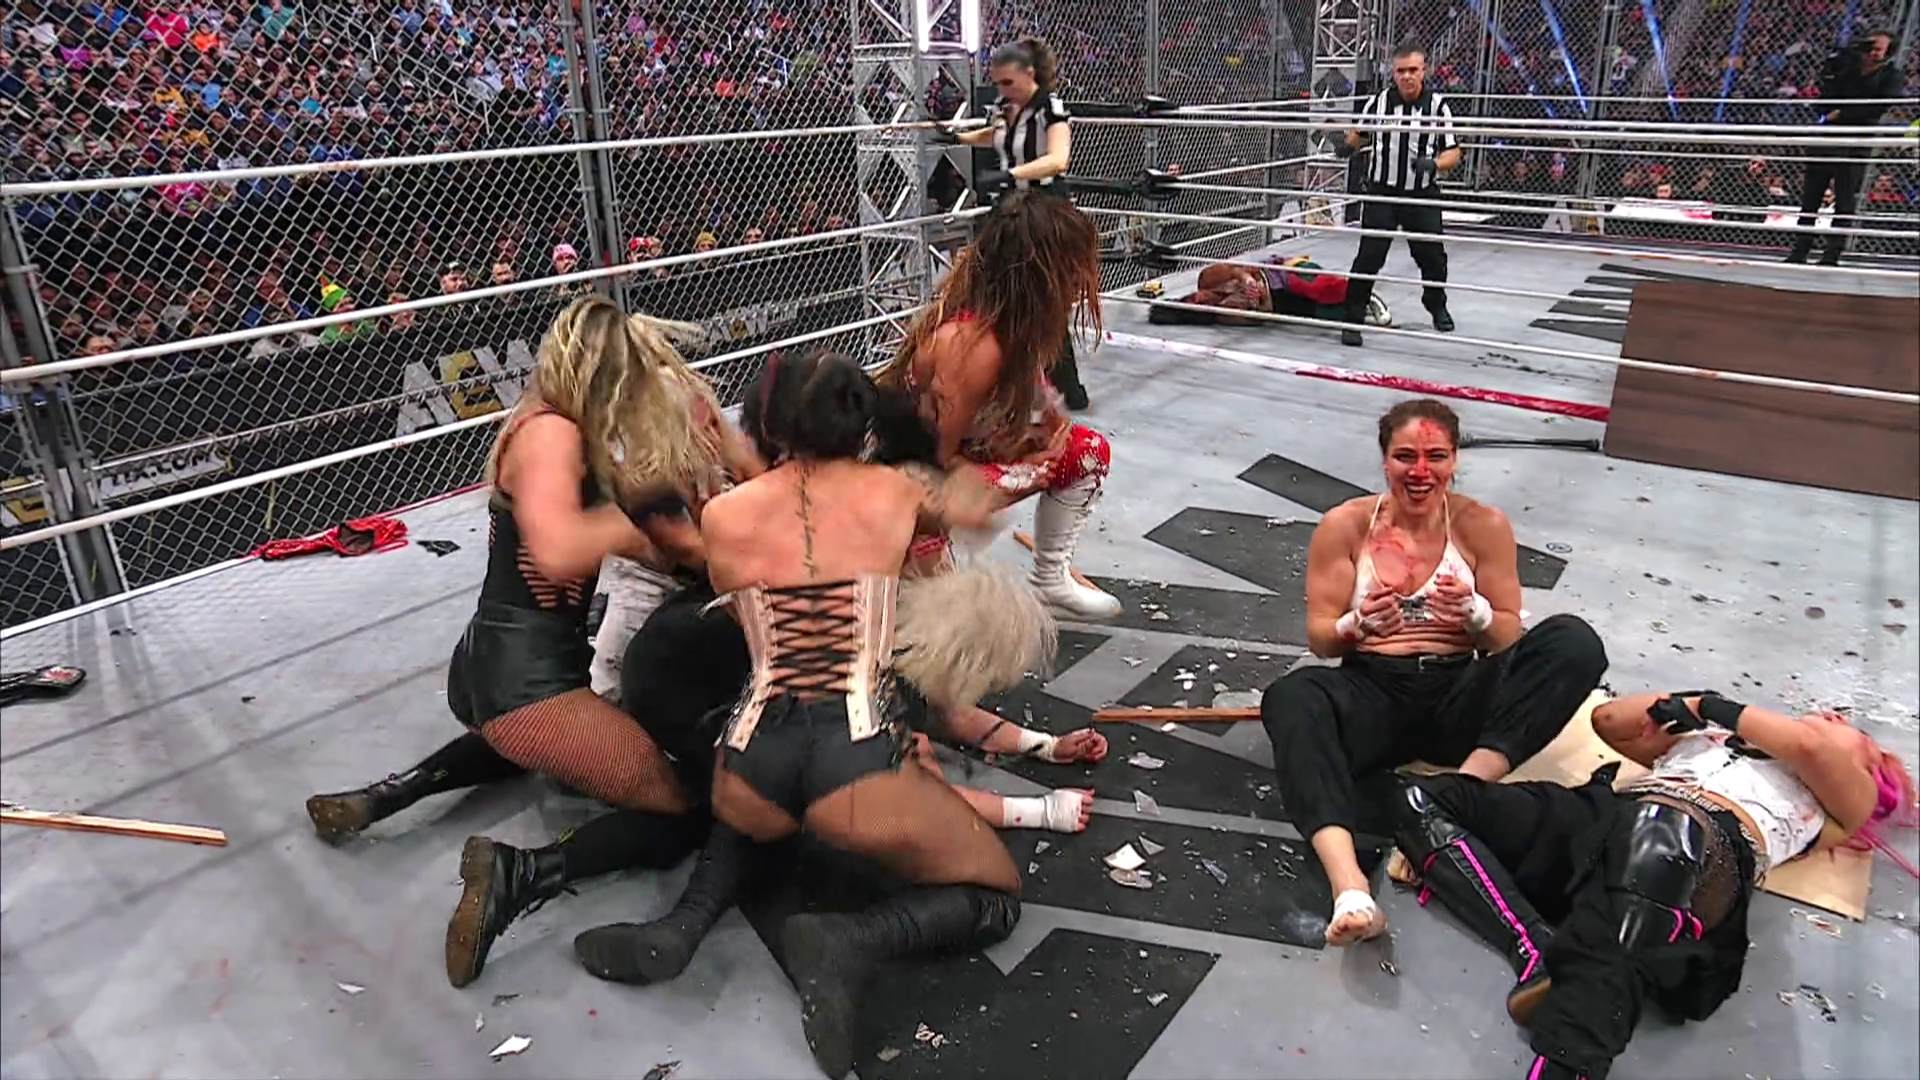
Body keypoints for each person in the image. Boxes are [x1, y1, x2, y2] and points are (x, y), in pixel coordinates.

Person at [575, 350, 1024, 1080]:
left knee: (758, 808)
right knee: (996, 891)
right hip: (854, 757)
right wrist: (1021, 458)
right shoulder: (896, 491)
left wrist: (729, 453)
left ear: (772, 424)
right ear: (860, 424)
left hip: (751, 759)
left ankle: (682, 925)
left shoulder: (724, 515)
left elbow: (743, 561)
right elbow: (975, 511)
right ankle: (852, 941)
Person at [301, 298, 755, 885]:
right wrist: (633, 525)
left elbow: (642, 536)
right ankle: (520, 874)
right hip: (524, 681)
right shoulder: (550, 433)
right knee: (682, 805)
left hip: (501, 663)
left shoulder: (556, 426)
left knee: (540, 743)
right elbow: (557, 548)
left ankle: (386, 795)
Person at [1393, 691, 1917, 1080]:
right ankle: (1533, 948)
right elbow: (1608, 719)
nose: (1833, 716)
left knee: (1661, 832)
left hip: (1701, 854)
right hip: (1601, 821)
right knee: (1418, 798)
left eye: (1854, 731)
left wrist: (1710, 706)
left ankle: (1570, 1059)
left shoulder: (1845, 801)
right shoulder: (1710, 740)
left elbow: (1808, 746)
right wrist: (1688, 708)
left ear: (1870, 766)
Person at [1259, 397, 1608, 947]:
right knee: (1291, 696)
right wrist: (1355, 625)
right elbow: (1320, 639)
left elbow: (1507, 634)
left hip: (1457, 694)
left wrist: (1477, 615)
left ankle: (1456, 797)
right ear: (1384, 461)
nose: (1420, 472)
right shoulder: (1345, 525)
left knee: (1574, 641)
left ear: (1454, 460)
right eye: (1405, 457)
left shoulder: (1482, 526)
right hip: (1373, 690)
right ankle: (1350, 889)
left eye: (1436, 457)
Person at [939, 37, 1090, 411]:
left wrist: (1011, 173)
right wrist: (957, 137)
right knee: (992, 290)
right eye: (999, 83)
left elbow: (1059, 159)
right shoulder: (1007, 109)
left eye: (1008, 82)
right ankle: (999, 380)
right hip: (1011, 209)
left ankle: (1067, 384)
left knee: (1045, 296)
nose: (1003, 90)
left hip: (1043, 210)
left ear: (1029, 73)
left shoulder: (1050, 108)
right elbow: (995, 135)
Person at [1336, 41, 1461, 348]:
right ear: (1393, 73)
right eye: (1401, 71)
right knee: (1369, 256)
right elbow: (1360, 132)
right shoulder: (1379, 103)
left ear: (1424, 71)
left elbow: (1453, 151)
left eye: (1412, 70)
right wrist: (1347, 146)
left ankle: (1436, 304)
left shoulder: (1437, 107)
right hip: (1382, 192)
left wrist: (1434, 164)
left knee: (1432, 257)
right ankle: (1352, 318)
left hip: (1421, 194)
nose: (1407, 76)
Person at [1787, 30, 1904, 266]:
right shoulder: (1846, 68)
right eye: (1869, 46)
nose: (1872, 52)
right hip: (1828, 137)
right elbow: (1826, 97)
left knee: (1845, 198)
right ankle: (1800, 249)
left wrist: (1842, 113)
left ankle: (1832, 253)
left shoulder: (1890, 76)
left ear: (1888, 52)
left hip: (1856, 141)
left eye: (1878, 48)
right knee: (1811, 195)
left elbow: (1877, 107)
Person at [1147, 253, 1393, 329]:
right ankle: (1361, 306)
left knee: (1315, 286)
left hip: (1278, 273)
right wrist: (1256, 303)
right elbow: (1261, 318)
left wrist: (1247, 281)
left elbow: (1236, 269)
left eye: (1192, 298)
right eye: (1197, 306)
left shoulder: (1207, 279)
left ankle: (1365, 293)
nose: (1200, 299)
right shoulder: (1224, 314)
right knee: (1328, 316)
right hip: (1282, 304)